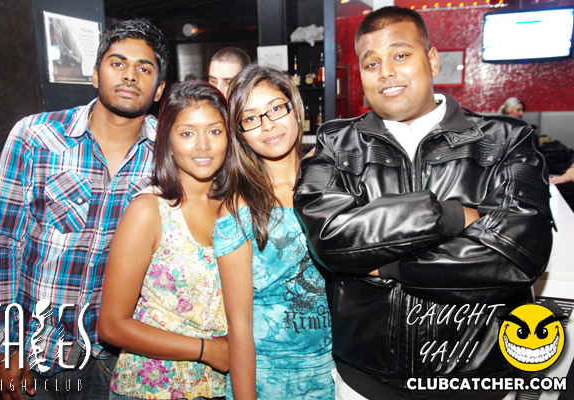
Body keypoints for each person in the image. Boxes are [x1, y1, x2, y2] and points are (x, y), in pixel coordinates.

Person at [294, 7, 553, 400]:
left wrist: (389, 265)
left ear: (431, 60)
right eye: (371, 63)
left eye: (400, 55)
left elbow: (519, 254)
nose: (386, 72)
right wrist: (451, 216)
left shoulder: (505, 139)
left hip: (476, 377)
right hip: (367, 380)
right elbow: (330, 240)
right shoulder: (336, 144)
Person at [0, 18, 169, 400]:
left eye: (144, 68)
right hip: (35, 353)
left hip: (117, 361)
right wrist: (2, 346)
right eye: (118, 63)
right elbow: (0, 244)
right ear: (95, 74)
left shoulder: (167, 156)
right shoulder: (35, 137)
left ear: (159, 89)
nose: (130, 75)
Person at [98, 81, 232, 400]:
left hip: (224, 388)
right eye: (187, 133)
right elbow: (112, 325)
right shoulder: (149, 211)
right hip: (153, 388)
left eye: (214, 131)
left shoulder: (237, 207)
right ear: (168, 142)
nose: (203, 145)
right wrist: (207, 351)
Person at [213, 64, 334, 400]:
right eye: (251, 118)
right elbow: (239, 326)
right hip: (270, 379)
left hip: (339, 372)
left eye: (276, 108)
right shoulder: (237, 208)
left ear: (295, 107)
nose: (267, 124)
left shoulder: (333, 182)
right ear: (239, 132)